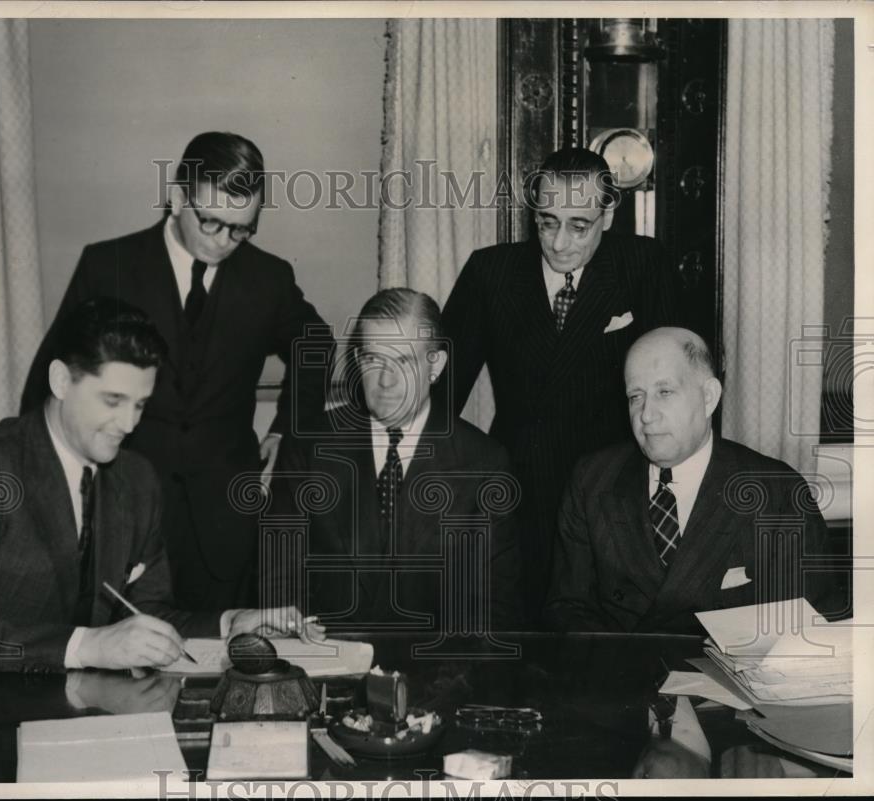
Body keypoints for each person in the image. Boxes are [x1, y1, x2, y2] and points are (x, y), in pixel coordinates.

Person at [0, 298, 322, 673]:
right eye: (112, 401)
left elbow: (146, 615)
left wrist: (230, 622)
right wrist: (88, 646)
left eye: (140, 404)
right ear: (61, 381)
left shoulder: (137, 480)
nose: (129, 424)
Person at [20, 132, 335, 614]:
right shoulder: (110, 265)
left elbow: (314, 343)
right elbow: (51, 380)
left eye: (243, 228)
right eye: (212, 222)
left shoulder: (267, 278)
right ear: (177, 198)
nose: (226, 241)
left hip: (227, 522)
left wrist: (288, 427)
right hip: (123, 513)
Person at [441, 147, 682, 623]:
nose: (560, 243)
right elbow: (441, 393)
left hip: (613, 493)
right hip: (518, 485)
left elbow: (680, 384)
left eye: (579, 225)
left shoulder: (644, 264)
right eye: (547, 222)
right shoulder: (491, 272)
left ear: (608, 215)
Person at [542, 327, 845, 634]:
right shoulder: (592, 481)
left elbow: (810, 625)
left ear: (709, 397)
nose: (646, 415)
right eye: (636, 396)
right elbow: (568, 611)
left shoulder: (777, 492)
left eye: (664, 392)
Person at [266, 288, 520, 634]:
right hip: (325, 665)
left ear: (436, 365)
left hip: (437, 675)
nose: (385, 381)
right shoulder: (309, 447)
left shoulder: (484, 463)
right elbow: (281, 582)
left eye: (402, 360)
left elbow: (493, 608)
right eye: (372, 359)